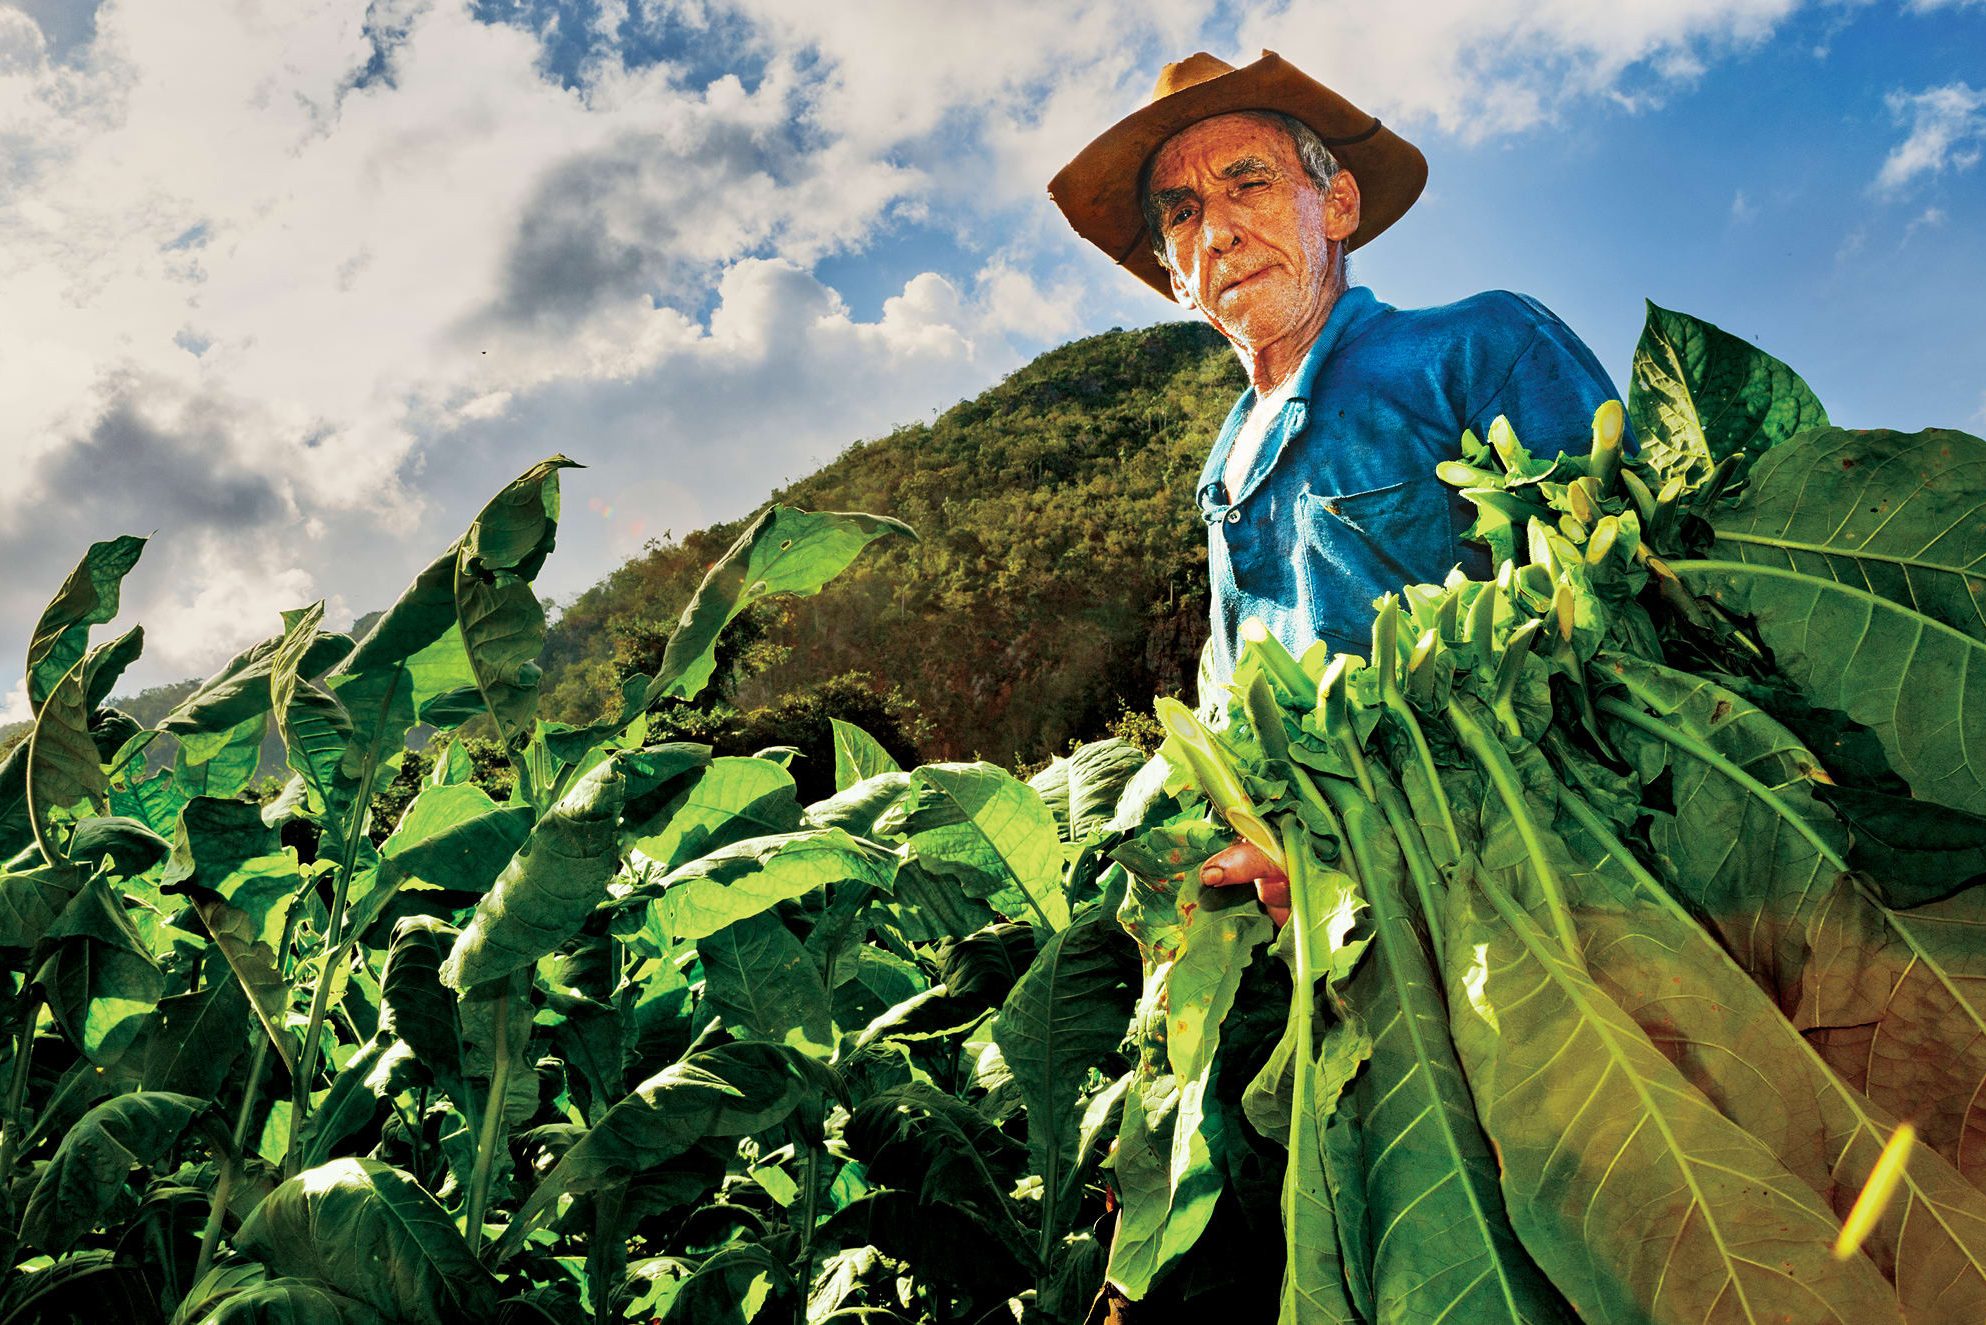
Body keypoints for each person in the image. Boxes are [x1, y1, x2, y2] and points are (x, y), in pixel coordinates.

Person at [1049, 51, 1624, 928]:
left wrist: (1348, 825)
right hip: (1337, 942)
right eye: (1183, 213)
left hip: (1539, 898)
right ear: (1174, 274)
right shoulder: (1224, 463)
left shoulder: (1480, 345)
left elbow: (1621, 609)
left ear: (1338, 204)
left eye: (1249, 184)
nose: (1219, 232)